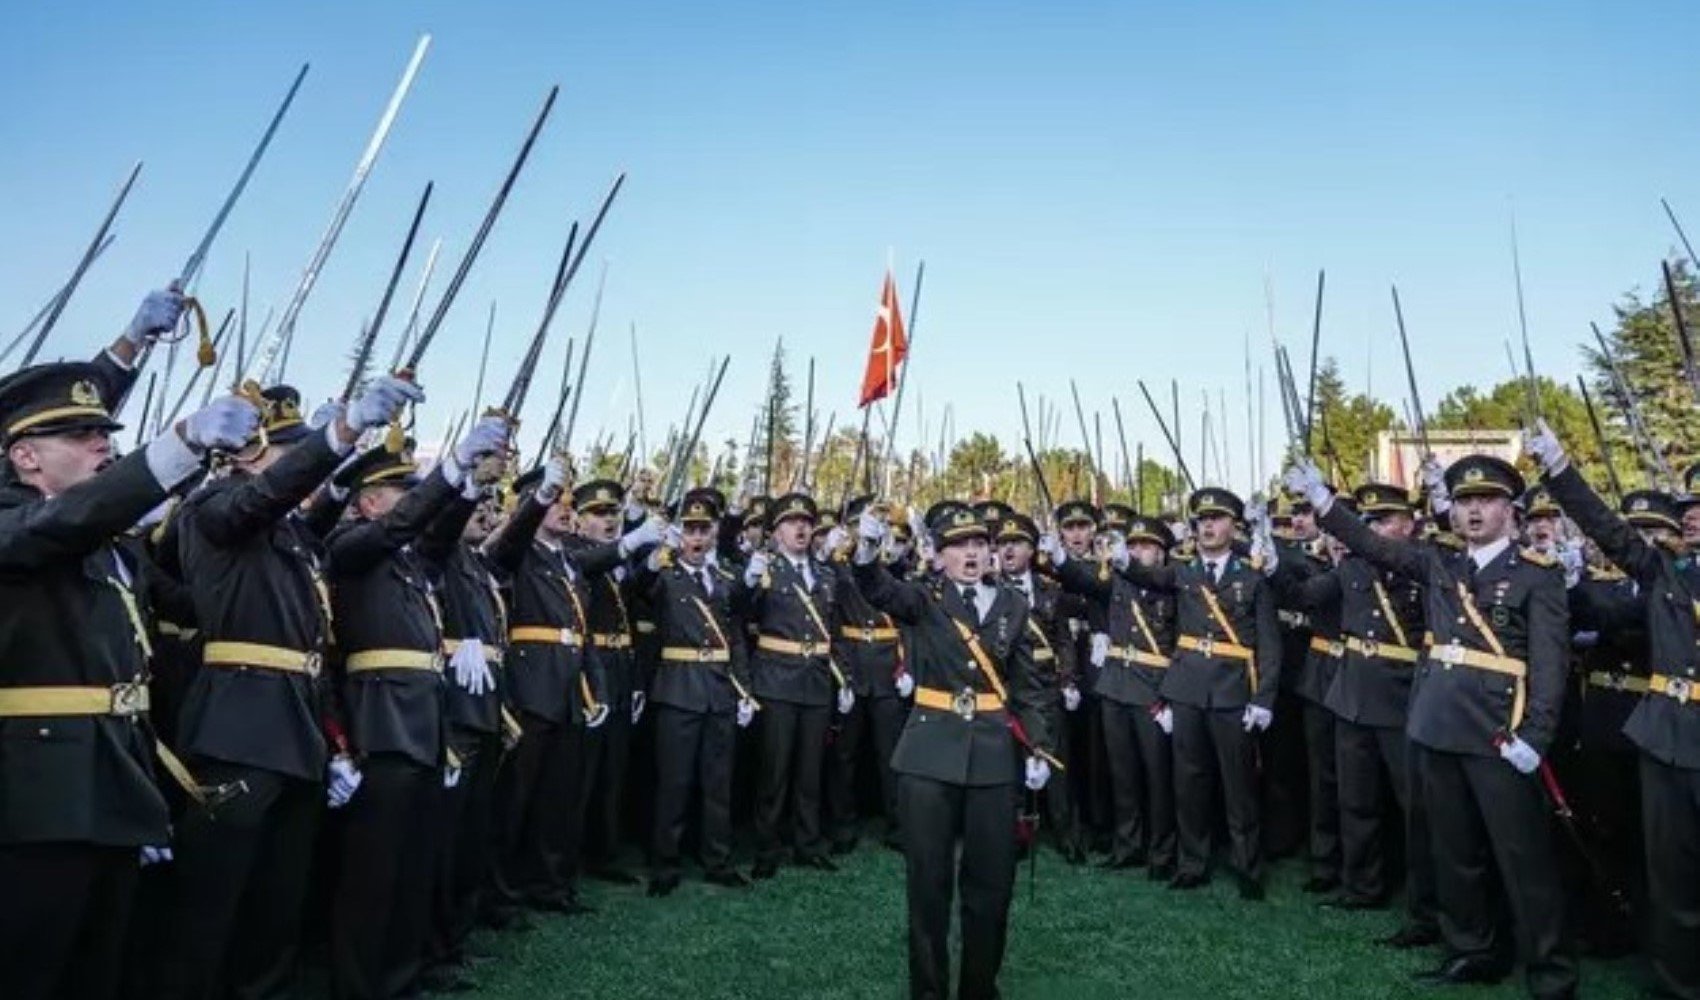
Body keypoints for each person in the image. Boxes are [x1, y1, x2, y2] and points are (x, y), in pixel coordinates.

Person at [0, 296, 260, 999]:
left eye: (104, 434)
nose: (103, 444)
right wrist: (175, 445)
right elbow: (67, 518)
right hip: (34, 800)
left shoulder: (108, 549)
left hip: (113, 779)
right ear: (24, 457)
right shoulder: (16, 529)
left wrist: (131, 347)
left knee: (99, 972)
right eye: (82, 437)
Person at [153, 376, 417, 1000]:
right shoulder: (215, 507)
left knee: (278, 904)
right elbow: (265, 497)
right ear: (247, 455)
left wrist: (335, 743)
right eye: (289, 452)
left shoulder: (298, 540)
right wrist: (341, 433)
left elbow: (313, 648)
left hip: (296, 732)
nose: (304, 469)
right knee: (207, 905)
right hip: (238, 729)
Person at [1286, 452, 1577, 999]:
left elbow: (1550, 665)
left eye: (1486, 500)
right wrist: (1324, 500)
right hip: (1437, 725)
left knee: (1522, 858)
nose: (1473, 511)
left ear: (1510, 510)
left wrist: (1536, 737)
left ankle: (1550, 968)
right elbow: (1374, 545)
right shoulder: (1440, 563)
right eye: (1465, 501)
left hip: (1500, 733)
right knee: (1454, 850)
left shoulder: (1537, 576)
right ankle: (1471, 949)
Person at [324, 415, 509, 1000]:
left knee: (411, 869)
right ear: (371, 501)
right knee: (372, 877)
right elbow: (404, 527)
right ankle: (358, 985)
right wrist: (451, 469)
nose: (414, 505)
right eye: (405, 494)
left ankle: (401, 979)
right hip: (380, 725)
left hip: (424, 724)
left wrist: (471, 484)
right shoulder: (350, 545)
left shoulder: (411, 563)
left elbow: (438, 529)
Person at [852, 504, 1055, 1000]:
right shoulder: (923, 599)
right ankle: (928, 991)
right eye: (958, 546)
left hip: (993, 758)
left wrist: (1039, 747)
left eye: (979, 545)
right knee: (928, 885)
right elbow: (876, 587)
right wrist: (865, 548)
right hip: (928, 753)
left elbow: (1028, 687)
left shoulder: (1012, 604)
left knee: (991, 888)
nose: (971, 553)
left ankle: (979, 989)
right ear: (938, 557)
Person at [1529, 421, 1698, 1000]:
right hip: (1670, 737)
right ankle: (1677, 982)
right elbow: (1611, 530)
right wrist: (1559, 470)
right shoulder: (1669, 576)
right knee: (1672, 875)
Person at [1050, 487, 1281, 899]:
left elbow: (1269, 645)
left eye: (1217, 519)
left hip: (1232, 690)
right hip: (1188, 688)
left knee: (1238, 786)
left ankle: (1248, 866)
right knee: (1188, 783)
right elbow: (1148, 576)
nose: (1208, 526)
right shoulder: (1184, 574)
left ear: (1234, 526)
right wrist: (1120, 560)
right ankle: (1192, 863)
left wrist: (1263, 698)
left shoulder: (1252, 578)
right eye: (1201, 521)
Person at [637, 489, 756, 895]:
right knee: (674, 781)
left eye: (704, 529)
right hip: (678, 688)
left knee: (717, 782)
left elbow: (736, 635)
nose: (697, 538)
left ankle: (717, 859)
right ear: (679, 533)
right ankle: (665, 863)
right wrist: (654, 556)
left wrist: (744, 689)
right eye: (690, 530)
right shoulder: (666, 577)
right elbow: (641, 586)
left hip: (719, 689)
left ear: (715, 532)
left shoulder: (725, 580)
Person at [1047, 510, 1177, 875]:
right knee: (1122, 774)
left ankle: (1162, 851)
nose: (1137, 552)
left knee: (1158, 775)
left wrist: (1169, 695)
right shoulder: (1116, 581)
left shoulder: (1173, 584)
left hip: (1153, 687)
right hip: (1116, 685)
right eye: (1132, 545)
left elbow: (1182, 644)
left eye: (1146, 546)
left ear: (1162, 552)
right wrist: (1058, 556)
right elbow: (1082, 578)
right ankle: (1127, 845)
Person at [738, 492, 846, 878]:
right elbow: (737, 612)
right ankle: (767, 848)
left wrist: (842, 677)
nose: (800, 528)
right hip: (776, 677)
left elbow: (834, 631)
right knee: (775, 770)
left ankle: (807, 842)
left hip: (816, 679)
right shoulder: (765, 570)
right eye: (790, 522)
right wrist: (749, 581)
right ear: (775, 532)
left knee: (810, 770)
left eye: (806, 522)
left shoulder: (826, 574)